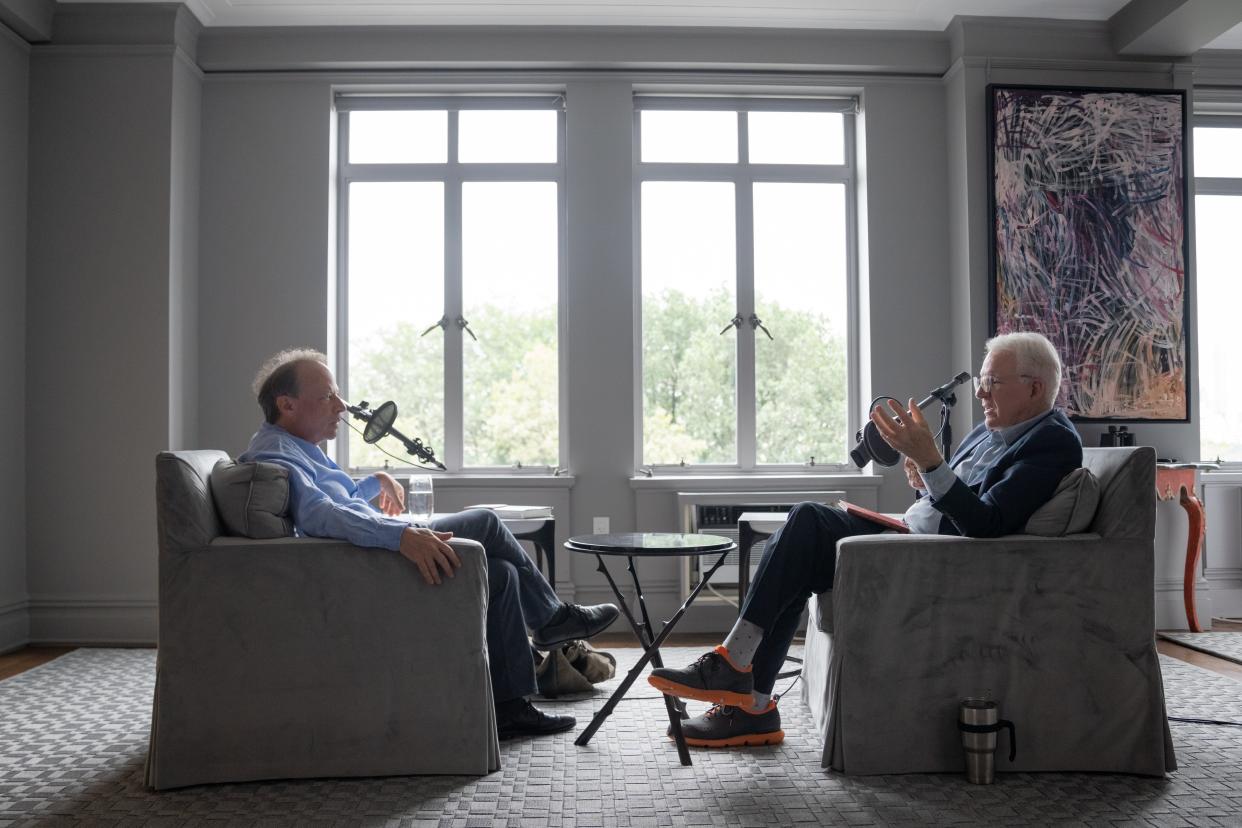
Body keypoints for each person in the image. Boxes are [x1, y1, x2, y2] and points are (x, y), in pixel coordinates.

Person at [648, 332, 1082, 748]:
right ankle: (754, 706)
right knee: (798, 547)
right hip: (913, 538)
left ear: (1034, 387)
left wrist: (933, 462)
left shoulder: (1052, 443)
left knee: (808, 521)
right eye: (983, 382)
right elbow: (951, 500)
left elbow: (986, 524)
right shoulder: (991, 431)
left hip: (939, 562)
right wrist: (925, 475)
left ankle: (735, 667)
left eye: (992, 382)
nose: (982, 393)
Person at [239, 348, 619, 740]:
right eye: (328, 397)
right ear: (286, 404)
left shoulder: (297, 447)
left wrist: (374, 482)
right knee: (486, 521)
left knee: (502, 573)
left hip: (372, 553)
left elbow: (337, 498)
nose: (342, 407)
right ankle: (552, 620)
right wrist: (401, 535)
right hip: (372, 565)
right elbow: (320, 514)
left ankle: (509, 707)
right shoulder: (275, 453)